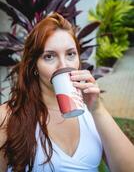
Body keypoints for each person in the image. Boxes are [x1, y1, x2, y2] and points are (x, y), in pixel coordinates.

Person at [0, 13, 134, 172]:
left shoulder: (91, 113)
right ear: (34, 66)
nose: (63, 65)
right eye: (49, 56)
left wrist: (97, 109)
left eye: (70, 54)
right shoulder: (7, 116)